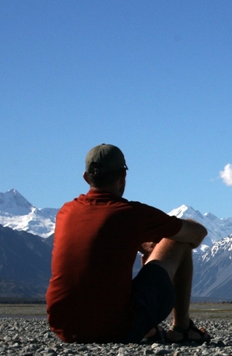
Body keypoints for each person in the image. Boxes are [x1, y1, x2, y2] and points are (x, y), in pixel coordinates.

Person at [46, 144, 211, 344]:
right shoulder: (131, 214)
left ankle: (149, 330)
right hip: (117, 328)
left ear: (86, 177)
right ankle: (181, 328)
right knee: (178, 239)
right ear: (123, 177)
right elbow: (197, 234)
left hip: (64, 328)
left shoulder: (65, 212)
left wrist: (136, 242)